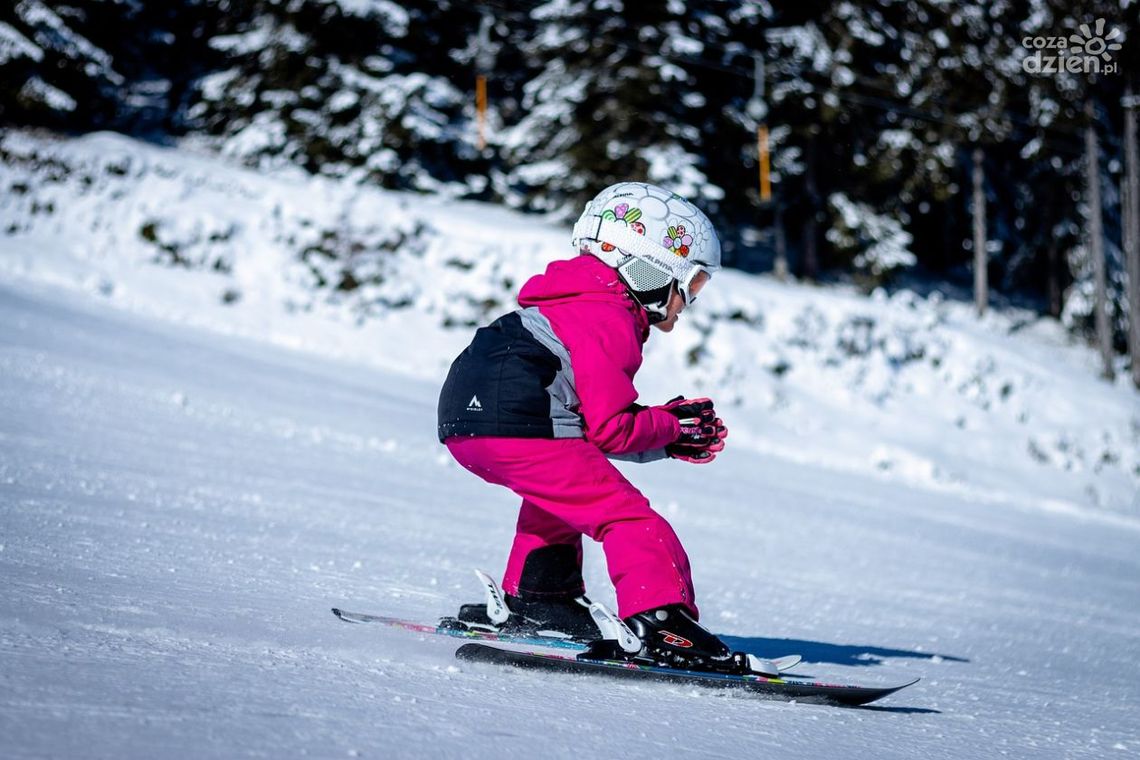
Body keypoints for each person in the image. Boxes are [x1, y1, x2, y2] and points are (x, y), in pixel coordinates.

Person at [437, 182, 740, 672]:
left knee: (560, 494)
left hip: (467, 424)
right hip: (520, 421)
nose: (688, 302)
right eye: (693, 283)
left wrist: (663, 432)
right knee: (628, 519)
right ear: (651, 267)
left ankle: (544, 599)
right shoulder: (609, 314)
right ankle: (661, 624)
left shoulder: (567, 302)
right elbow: (611, 430)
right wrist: (670, 428)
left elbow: (589, 427)